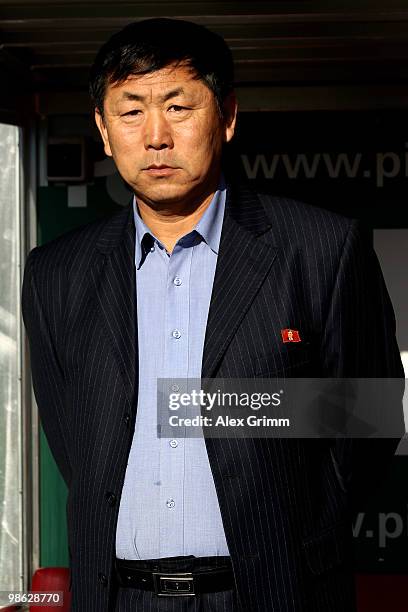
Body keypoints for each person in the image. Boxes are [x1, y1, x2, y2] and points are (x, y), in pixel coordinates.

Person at [22, 17, 405, 612]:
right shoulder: (57, 273)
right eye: (130, 112)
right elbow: (75, 442)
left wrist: (224, 409)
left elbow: (370, 417)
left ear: (225, 116)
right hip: (119, 597)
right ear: (102, 128)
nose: (155, 136)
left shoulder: (322, 248)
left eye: (178, 107)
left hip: (276, 592)